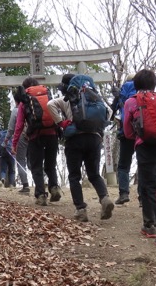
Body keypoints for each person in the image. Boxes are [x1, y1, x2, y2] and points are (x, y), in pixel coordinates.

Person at [48, 73, 114, 222]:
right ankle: (104, 199)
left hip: (75, 140)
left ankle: (81, 210)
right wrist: (99, 126)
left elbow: (50, 104)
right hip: (94, 138)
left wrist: (61, 123)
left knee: (74, 176)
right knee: (94, 174)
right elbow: (108, 112)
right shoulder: (94, 97)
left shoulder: (68, 98)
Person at [122, 69, 156, 246]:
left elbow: (127, 131)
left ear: (135, 85)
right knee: (148, 183)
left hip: (145, 146)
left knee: (152, 188)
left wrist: (137, 136)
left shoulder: (131, 102)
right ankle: (148, 224)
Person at [11, 77, 62, 206]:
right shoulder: (47, 94)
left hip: (35, 136)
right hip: (52, 134)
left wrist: (14, 143)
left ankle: (41, 195)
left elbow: (19, 125)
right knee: (51, 164)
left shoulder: (25, 99)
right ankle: (54, 187)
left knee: (36, 166)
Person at [109, 79, 136, 205]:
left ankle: (124, 193)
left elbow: (110, 113)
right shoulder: (144, 93)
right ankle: (143, 198)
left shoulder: (122, 95)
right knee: (144, 164)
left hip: (126, 134)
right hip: (143, 135)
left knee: (123, 165)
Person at [7, 99, 30, 194]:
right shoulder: (31, 107)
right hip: (33, 136)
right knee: (34, 161)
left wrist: (6, 139)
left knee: (21, 161)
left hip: (22, 137)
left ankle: (25, 185)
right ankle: (41, 184)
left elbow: (11, 128)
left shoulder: (16, 110)